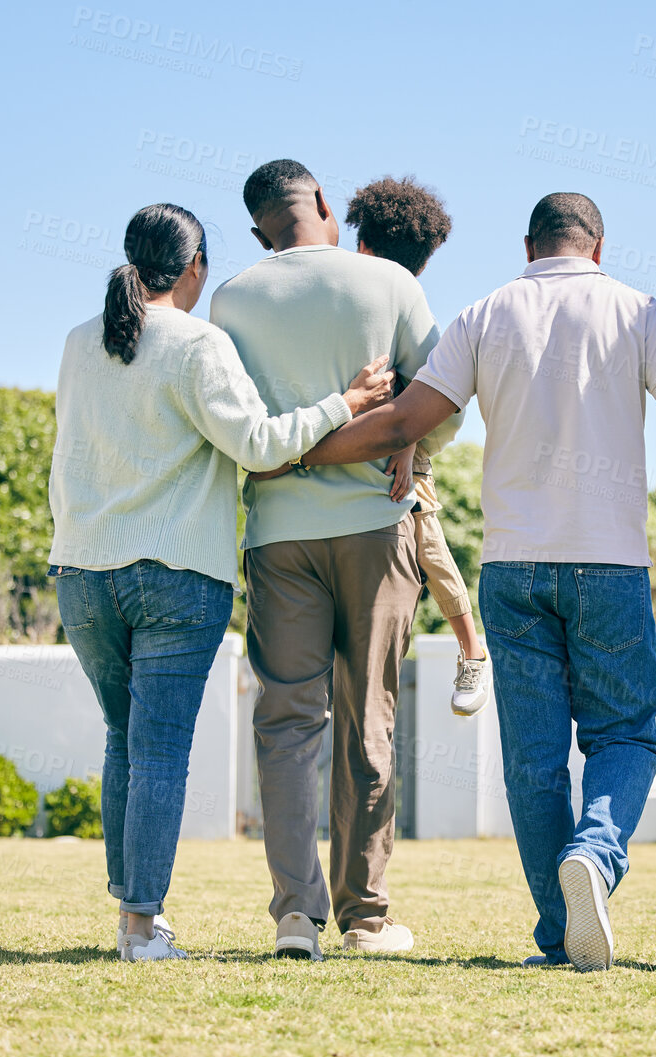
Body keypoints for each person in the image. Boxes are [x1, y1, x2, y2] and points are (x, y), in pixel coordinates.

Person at [278, 192, 656, 971]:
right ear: (597, 248)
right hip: (608, 563)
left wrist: (301, 453)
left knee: (532, 760)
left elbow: (405, 422)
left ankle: (556, 936)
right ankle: (595, 857)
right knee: (626, 734)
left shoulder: (484, 314)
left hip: (511, 564)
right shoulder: (632, 310)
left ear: (529, 246)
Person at [47, 202, 394, 961]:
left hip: (81, 571)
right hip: (173, 577)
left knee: (123, 738)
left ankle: (132, 908)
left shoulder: (80, 341)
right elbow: (260, 445)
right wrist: (351, 402)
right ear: (195, 265)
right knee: (160, 748)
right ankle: (141, 925)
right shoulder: (200, 343)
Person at [209, 160, 460, 961]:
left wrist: (295, 455)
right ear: (323, 202)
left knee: (286, 721)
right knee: (369, 719)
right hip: (375, 525)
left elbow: (241, 434)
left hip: (276, 535)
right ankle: (366, 916)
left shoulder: (231, 298)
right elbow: (445, 393)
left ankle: (294, 917)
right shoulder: (387, 281)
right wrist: (406, 439)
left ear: (258, 232)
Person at [344, 175, 490, 716]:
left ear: (361, 243)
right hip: (370, 439)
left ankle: (473, 649)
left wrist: (407, 442)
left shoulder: (401, 300)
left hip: (403, 445)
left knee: (427, 546)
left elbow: (434, 382)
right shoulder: (364, 294)